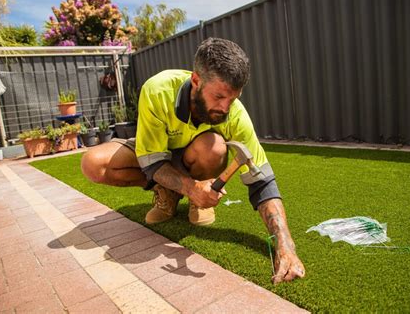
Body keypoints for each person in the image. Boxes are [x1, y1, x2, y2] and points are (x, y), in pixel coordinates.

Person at [81, 37, 305, 283]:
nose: (225, 108)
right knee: (93, 163)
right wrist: (189, 187)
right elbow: (151, 160)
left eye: (233, 98)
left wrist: (286, 245)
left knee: (215, 147)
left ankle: (198, 198)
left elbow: (262, 182)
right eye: (219, 96)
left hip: (197, 157)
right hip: (159, 153)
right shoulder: (157, 90)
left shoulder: (234, 113)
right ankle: (169, 191)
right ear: (196, 81)